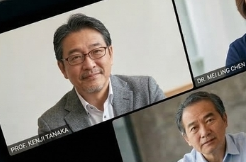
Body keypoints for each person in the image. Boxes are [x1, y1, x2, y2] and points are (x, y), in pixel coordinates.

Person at [38, 13, 166, 134]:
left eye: (97, 51)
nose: (89, 65)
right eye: (76, 57)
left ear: (110, 54)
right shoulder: (51, 125)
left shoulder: (146, 90)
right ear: (62, 68)